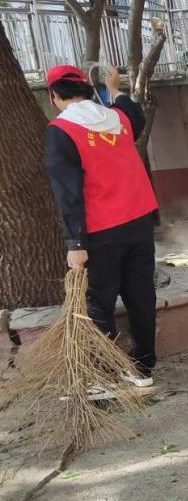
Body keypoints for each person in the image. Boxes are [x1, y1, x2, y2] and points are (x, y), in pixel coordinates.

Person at [43, 64, 159, 393]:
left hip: (100, 230)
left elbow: (67, 193)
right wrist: (115, 88)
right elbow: (132, 112)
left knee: (98, 303)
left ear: (53, 96)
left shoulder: (61, 131)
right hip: (139, 222)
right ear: (87, 90)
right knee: (140, 295)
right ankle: (143, 368)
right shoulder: (116, 119)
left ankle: (102, 379)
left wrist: (75, 243)